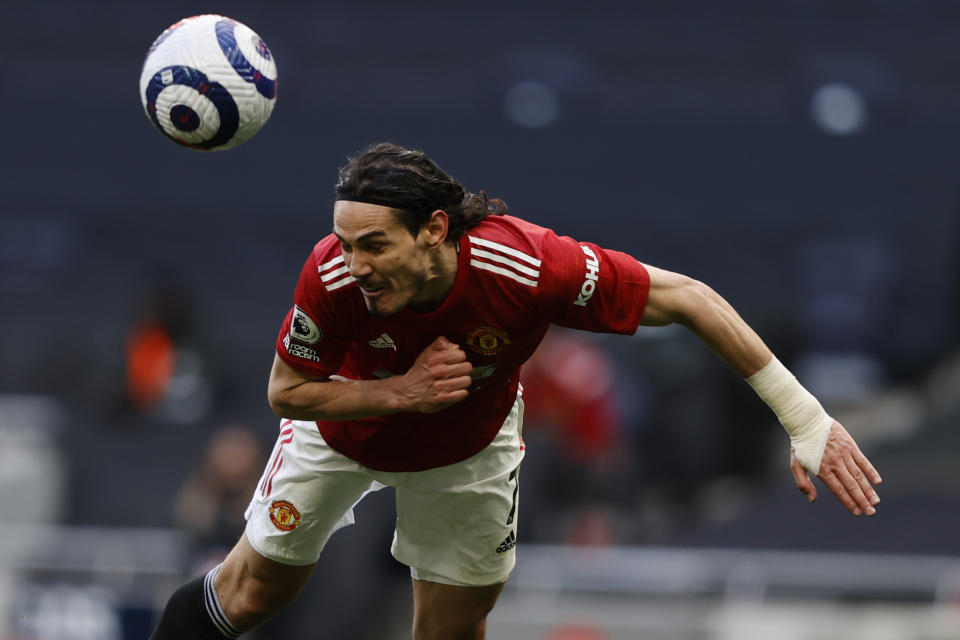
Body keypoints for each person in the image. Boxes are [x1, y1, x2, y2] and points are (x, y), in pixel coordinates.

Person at [149, 142, 882, 640]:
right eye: (343, 243)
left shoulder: (525, 266)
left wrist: (805, 417)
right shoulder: (332, 277)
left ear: (434, 230)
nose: (355, 263)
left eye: (374, 244)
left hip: (467, 451)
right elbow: (286, 391)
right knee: (251, 595)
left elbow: (689, 297)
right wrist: (400, 393)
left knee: (450, 632)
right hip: (346, 429)